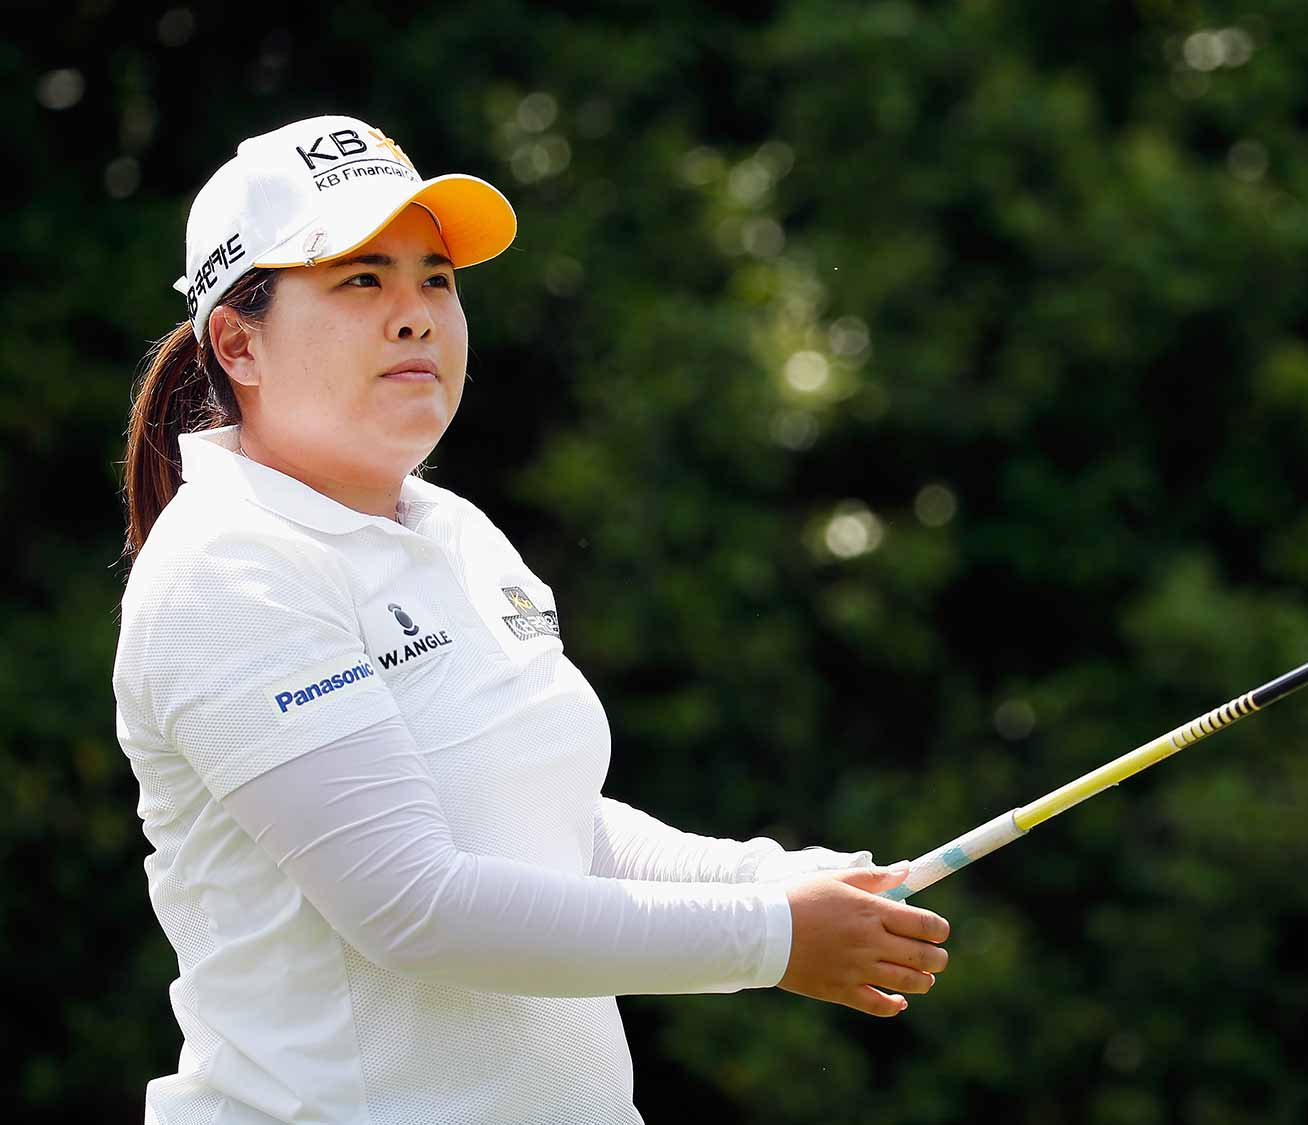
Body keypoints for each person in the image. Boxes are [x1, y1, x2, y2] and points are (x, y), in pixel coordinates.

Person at [112, 114, 950, 1124]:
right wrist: (768, 939)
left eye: (437, 279)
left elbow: (548, 826)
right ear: (239, 344)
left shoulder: (453, 529)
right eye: (361, 280)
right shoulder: (228, 567)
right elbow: (413, 909)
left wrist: (778, 880)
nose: (416, 313)